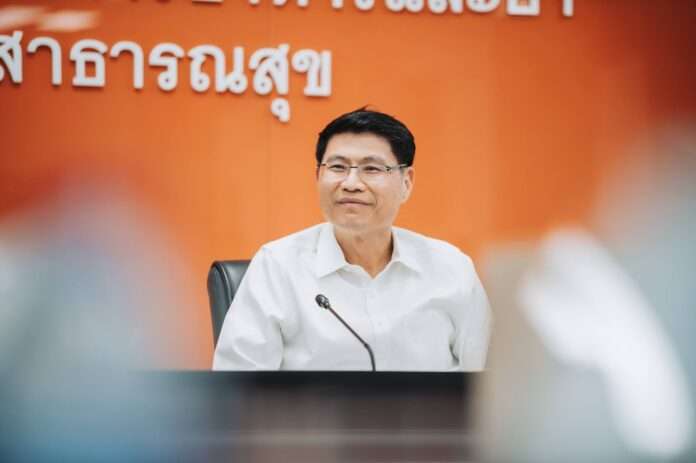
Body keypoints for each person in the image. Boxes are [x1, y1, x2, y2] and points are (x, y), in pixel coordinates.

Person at [213, 108, 491, 371]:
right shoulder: (277, 266)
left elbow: (493, 379)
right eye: (337, 167)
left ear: (406, 183)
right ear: (318, 176)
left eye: (372, 169)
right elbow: (237, 387)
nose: (351, 183)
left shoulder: (451, 268)